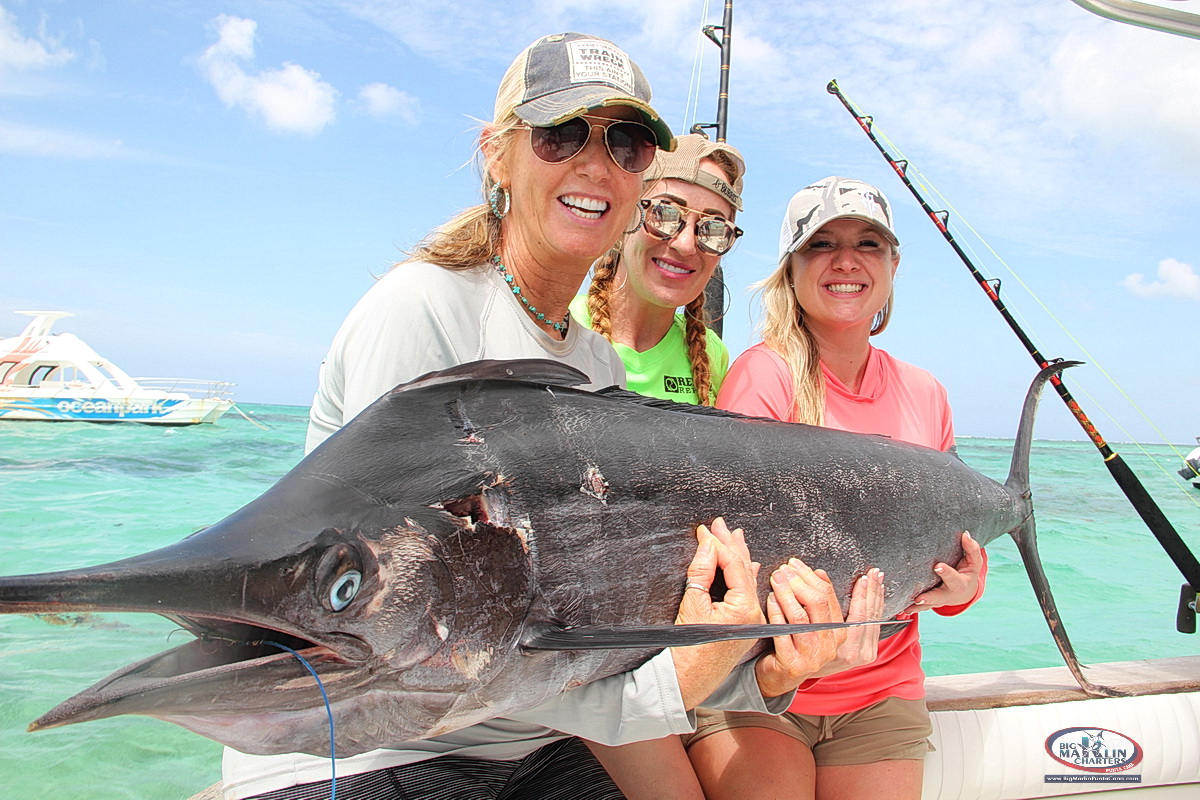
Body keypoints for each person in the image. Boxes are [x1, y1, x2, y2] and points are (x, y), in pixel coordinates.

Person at [222, 35, 851, 800]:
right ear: (498, 155)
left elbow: (571, 612)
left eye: (623, 144)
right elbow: (415, 635)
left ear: (639, 183)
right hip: (376, 745)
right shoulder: (419, 310)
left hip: (528, 736)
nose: (594, 165)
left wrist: (766, 665)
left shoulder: (596, 366)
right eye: (560, 134)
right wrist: (678, 680)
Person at [686, 176, 988, 800]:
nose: (846, 260)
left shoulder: (927, 393)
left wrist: (961, 589)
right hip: (760, 688)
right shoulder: (762, 376)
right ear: (791, 269)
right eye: (821, 244)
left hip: (883, 692)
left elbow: (950, 551)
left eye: (868, 243)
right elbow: (729, 560)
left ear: (893, 264)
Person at [571, 133, 745, 405]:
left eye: (713, 229)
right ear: (625, 215)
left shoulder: (714, 356)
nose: (686, 245)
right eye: (665, 214)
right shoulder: (558, 326)